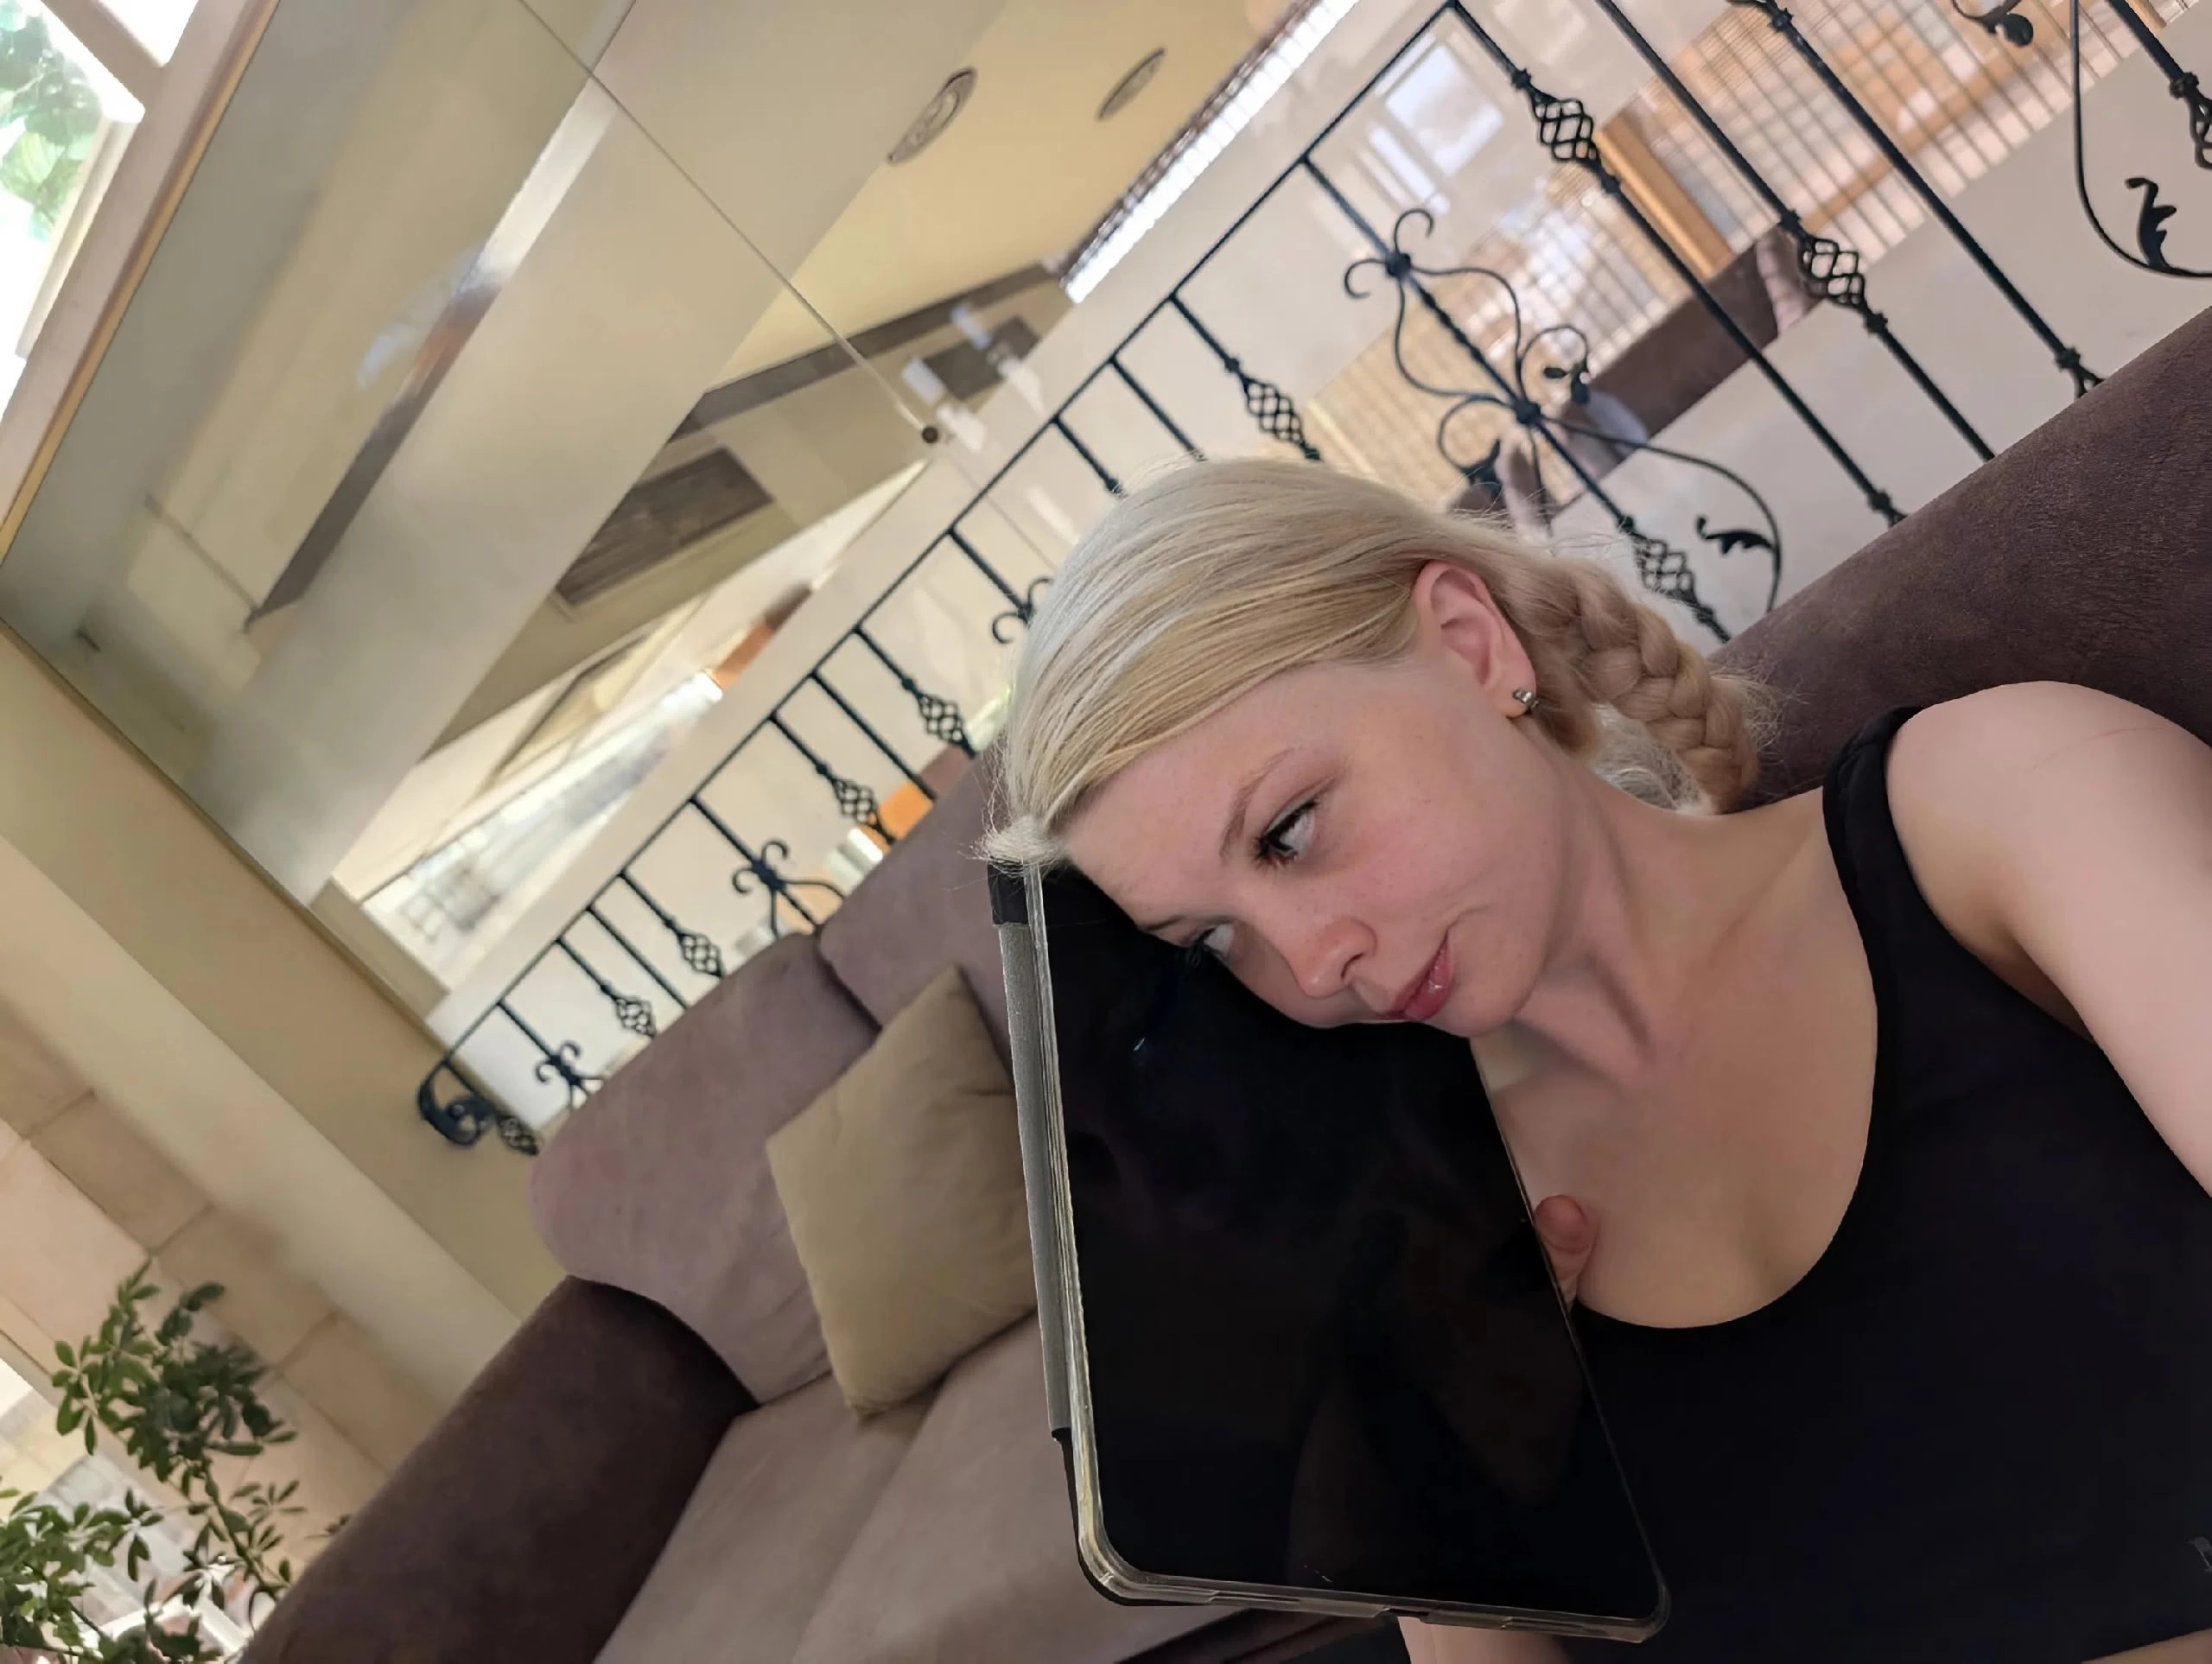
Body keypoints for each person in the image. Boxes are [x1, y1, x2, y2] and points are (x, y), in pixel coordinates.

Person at [983, 456, 2212, 1664]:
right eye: (1211, 940)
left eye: (1292, 830)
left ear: (1471, 644)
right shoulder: (1428, 1251)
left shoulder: (1999, 808)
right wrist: (1445, 1483)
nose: (1311, 965)